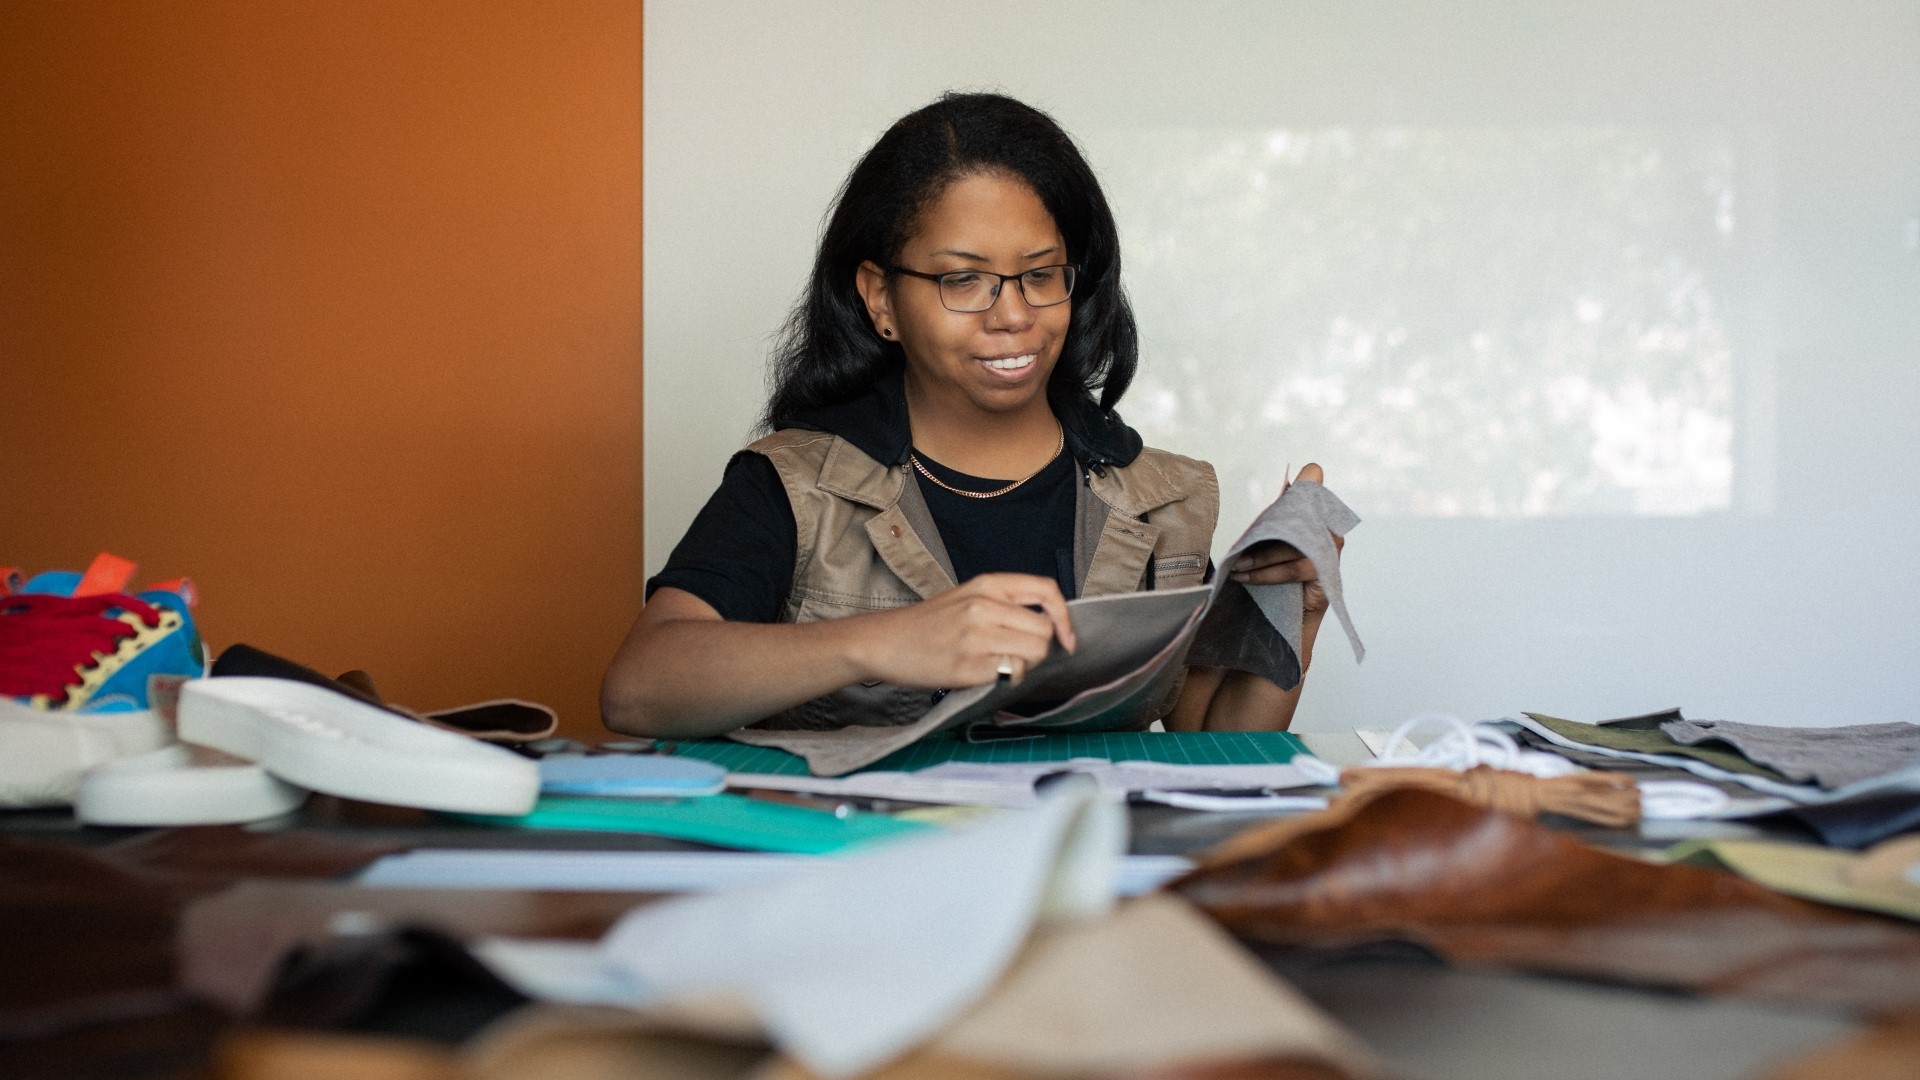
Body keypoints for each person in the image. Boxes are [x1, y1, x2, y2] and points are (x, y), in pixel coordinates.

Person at [602, 92, 1342, 741]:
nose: (1013, 315)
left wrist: (1295, 609)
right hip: (869, 856)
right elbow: (638, 688)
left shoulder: (1163, 500)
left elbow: (1210, 739)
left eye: (1039, 274)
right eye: (963, 279)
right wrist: (884, 641)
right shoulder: (796, 484)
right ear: (881, 298)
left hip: (1079, 859)